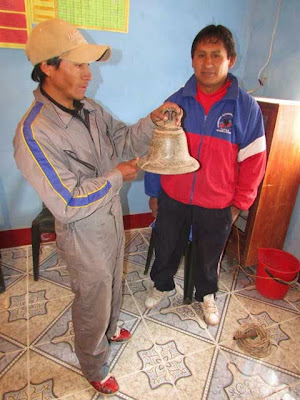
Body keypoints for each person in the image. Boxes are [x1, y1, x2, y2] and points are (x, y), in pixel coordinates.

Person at [13, 18, 181, 395]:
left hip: (109, 219)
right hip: (82, 231)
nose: (89, 74)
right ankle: (94, 363)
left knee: (112, 283)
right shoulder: (34, 133)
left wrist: (151, 121)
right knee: (92, 295)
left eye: (89, 65)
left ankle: (109, 329)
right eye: (79, 64)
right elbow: (69, 201)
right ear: (48, 67)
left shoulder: (89, 108)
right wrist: (117, 177)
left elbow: (121, 140)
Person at [144, 25, 266, 326]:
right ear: (192, 60)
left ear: (231, 60)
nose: (208, 63)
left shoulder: (246, 108)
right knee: (167, 243)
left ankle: (206, 294)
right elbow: (157, 149)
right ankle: (161, 284)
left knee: (209, 254)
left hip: (218, 200)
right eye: (201, 55)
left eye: (216, 55)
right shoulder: (176, 101)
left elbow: (254, 160)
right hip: (174, 193)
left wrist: (241, 202)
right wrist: (154, 191)